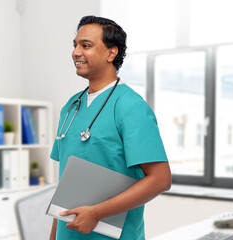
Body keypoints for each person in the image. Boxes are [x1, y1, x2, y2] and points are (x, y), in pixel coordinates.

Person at [49, 15, 171, 240]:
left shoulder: (130, 106)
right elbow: (65, 186)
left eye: (86, 46)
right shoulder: (71, 106)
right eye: (75, 45)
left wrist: (97, 212)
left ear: (111, 53)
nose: (76, 52)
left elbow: (160, 179)